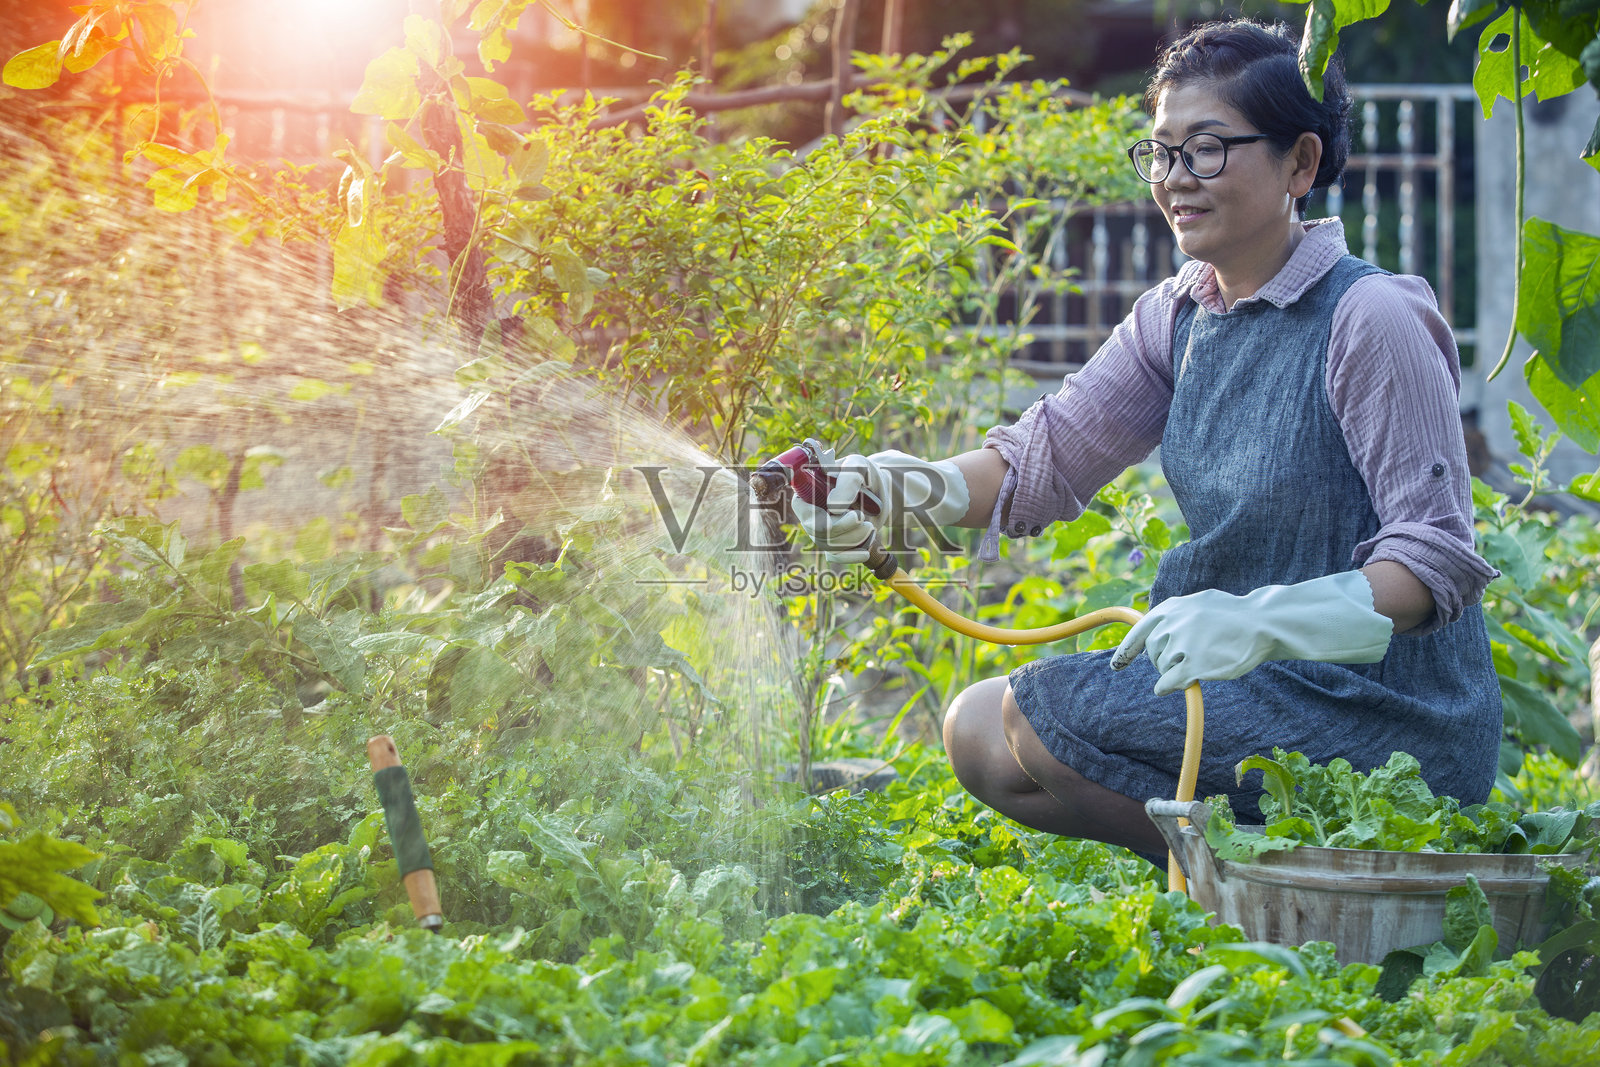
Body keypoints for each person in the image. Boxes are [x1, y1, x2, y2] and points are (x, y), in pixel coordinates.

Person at [794, 18, 1501, 864]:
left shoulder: (1369, 315)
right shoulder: (1180, 315)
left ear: (1301, 164)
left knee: (1034, 720)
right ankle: (1247, 876)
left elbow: (1433, 564)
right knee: (979, 730)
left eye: (1206, 149)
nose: (1174, 179)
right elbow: (1045, 458)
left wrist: (1261, 621)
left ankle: (1251, 892)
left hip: (1385, 712)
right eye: (1161, 153)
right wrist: (900, 488)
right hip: (1246, 687)